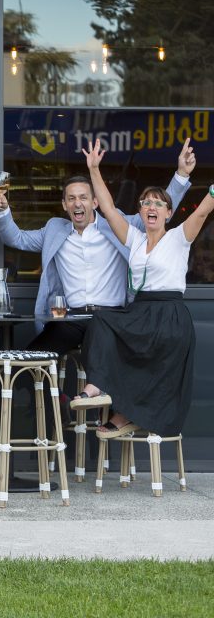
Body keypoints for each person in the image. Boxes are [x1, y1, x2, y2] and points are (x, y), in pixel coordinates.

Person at [0, 139, 194, 354]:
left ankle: (90, 389)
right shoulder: (54, 229)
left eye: (83, 198)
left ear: (95, 202)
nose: (78, 203)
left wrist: (181, 174)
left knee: (102, 365)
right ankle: (48, 388)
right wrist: (2, 211)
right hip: (71, 318)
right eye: (71, 199)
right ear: (64, 205)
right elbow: (16, 238)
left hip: (112, 319)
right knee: (33, 359)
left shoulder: (118, 226)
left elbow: (158, 209)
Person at [69, 140, 212, 439]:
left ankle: (122, 416)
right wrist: (93, 169)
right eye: (147, 202)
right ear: (141, 210)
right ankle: (97, 386)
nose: (152, 206)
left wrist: (211, 192)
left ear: (169, 213)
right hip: (141, 312)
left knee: (149, 351)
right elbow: (107, 208)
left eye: (159, 203)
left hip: (169, 316)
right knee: (103, 320)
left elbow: (200, 214)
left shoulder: (178, 238)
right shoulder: (134, 238)